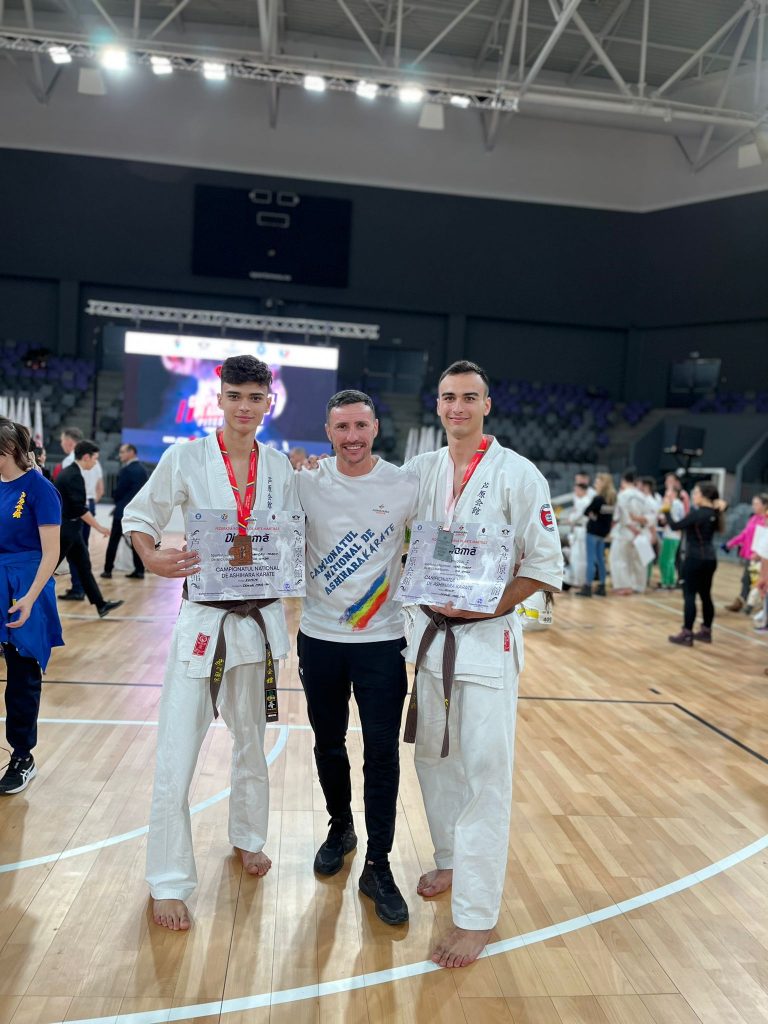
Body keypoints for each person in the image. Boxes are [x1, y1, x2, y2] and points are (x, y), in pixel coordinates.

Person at [122, 355, 298, 933]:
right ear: (218, 399)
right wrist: (151, 556)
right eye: (235, 396)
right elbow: (139, 516)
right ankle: (168, 880)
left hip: (259, 619)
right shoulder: (186, 457)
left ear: (268, 402)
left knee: (252, 742)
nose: (245, 407)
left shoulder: (280, 467)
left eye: (255, 397)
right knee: (178, 750)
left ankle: (248, 836)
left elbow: (293, 536)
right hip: (203, 620)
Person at [402, 360, 563, 968]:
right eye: (449, 397)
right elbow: (370, 500)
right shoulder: (422, 470)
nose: (458, 407)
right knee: (433, 758)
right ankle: (450, 859)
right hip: (430, 638)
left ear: (487, 405)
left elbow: (543, 564)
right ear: (438, 405)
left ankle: (476, 916)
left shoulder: (519, 474)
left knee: (485, 775)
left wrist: (489, 604)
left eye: (470, 397)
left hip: (487, 640)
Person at [295, 390, 418, 925]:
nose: (352, 437)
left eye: (360, 426)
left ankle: (378, 864)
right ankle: (340, 826)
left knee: (382, 754)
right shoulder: (305, 483)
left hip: (381, 643)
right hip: (319, 639)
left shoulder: (404, 484)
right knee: (328, 744)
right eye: (341, 427)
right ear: (328, 432)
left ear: (375, 428)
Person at [0, 419, 64, 794]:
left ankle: (22, 756)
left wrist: (30, 596)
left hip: (27, 582)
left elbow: (51, 552)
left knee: (22, 673)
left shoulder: (40, 489)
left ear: (8, 449)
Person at [55, 441, 123, 619]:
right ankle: (26, 600)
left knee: (84, 567)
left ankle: (100, 604)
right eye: (95, 459)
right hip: (67, 531)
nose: (95, 462)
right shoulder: (73, 475)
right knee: (48, 570)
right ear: (86, 457)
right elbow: (79, 509)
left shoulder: (71, 472)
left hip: (72, 529)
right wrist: (99, 527)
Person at [665, 481, 726, 646]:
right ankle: (706, 631)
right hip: (710, 559)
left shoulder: (697, 514)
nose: (693, 496)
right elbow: (722, 506)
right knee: (706, 595)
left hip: (694, 559)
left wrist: (666, 509)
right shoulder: (715, 513)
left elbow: (675, 526)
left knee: (690, 595)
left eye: (696, 493)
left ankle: (687, 633)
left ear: (704, 496)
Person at [101, 444, 149, 579]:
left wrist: (116, 499)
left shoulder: (126, 470)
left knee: (114, 541)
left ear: (131, 452)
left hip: (122, 511)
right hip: (137, 511)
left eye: (122, 452)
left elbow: (119, 491)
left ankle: (108, 570)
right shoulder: (143, 470)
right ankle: (139, 570)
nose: (120, 455)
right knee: (136, 542)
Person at [55, 426, 85, 600]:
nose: (61, 444)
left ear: (69, 442)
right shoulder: (92, 460)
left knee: (69, 552)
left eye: (62, 441)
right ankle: (80, 588)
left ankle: (78, 588)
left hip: (71, 511)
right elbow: (99, 488)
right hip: (85, 507)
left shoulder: (69, 462)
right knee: (80, 553)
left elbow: (66, 492)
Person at [723, 494, 768, 612]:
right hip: (750, 555)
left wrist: (759, 553)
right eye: (753, 504)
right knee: (747, 579)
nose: (753, 506)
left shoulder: (765, 520)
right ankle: (745, 602)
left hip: (761, 556)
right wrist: (730, 544)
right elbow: (744, 534)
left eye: (756, 504)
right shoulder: (753, 518)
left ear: (765, 505)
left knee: (758, 580)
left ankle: (753, 605)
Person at [576, 471, 615, 597]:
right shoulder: (612, 499)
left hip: (593, 532)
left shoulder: (598, 499)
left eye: (597, 482)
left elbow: (586, 511)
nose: (595, 484)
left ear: (603, 484)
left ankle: (587, 587)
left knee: (591, 560)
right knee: (601, 560)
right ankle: (602, 587)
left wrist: (593, 516)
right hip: (603, 534)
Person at [610, 470, 648, 595]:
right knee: (638, 561)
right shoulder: (642, 496)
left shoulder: (622, 495)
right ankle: (639, 586)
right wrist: (639, 528)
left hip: (625, 531)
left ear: (623, 481)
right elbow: (648, 516)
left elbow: (620, 515)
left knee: (619, 559)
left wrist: (631, 527)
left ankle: (624, 586)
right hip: (640, 531)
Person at [562, 472, 594, 590]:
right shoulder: (585, 500)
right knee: (578, 556)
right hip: (580, 529)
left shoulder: (583, 501)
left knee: (578, 557)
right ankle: (578, 580)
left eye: (577, 490)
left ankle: (578, 581)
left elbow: (575, 517)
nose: (575, 492)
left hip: (581, 530)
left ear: (581, 490)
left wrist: (569, 519)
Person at [658, 478, 685, 590]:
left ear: (674, 493)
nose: (666, 494)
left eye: (668, 491)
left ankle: (667, 582)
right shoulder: (676, 504)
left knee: (666, 560)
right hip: (670, 535)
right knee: (668, 559)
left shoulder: (675, 504)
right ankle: (669, 581)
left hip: (672, 536)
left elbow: (675, 521)